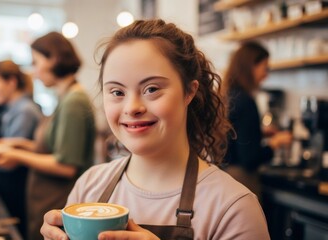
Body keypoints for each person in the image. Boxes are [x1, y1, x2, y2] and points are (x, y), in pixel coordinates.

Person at [40, 19, 270, 239]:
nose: (132, 108)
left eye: (151, 89)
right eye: (117, 92)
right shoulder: (90, 186)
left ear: (189, 91)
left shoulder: (233, 208)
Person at [0, 32, 96, 240]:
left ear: (53, 59)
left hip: (61, 202)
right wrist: (18, 144)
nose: (34, 72)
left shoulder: (74, 101)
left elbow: (65, 165)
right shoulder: (66, 97)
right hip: (50, 202)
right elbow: (54, 148)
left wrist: (17, 156)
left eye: (36, 62)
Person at [0, 60, 43, 238]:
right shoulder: (12, 109)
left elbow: (5, 160)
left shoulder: (25, 111)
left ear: (11, 82)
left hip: (19, 191)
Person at [221, 41, 292, 197]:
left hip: (224, 175)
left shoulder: (229, 95)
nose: (266, 74)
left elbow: (234, 136)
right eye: (265, 67)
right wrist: (275, 143)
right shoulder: (246, 101)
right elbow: (250, 159)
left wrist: (259, 133)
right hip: (241, 179)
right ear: (251, 66)